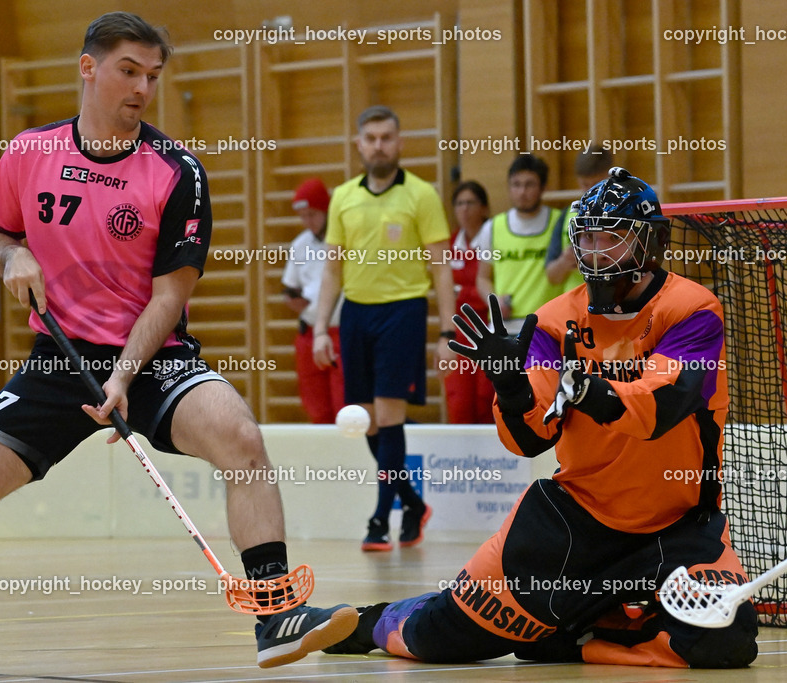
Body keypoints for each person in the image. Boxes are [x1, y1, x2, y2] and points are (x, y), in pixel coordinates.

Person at [0, 12, 356, 669]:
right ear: (88, 68)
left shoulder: (177, 172)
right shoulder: (29, 152)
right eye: (128, 71)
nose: (143, 88)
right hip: (58, 359)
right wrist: (11, 260)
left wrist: (122, 372)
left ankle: (277, 612)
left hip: (153, 356)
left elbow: (170, 296)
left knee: (241, 438)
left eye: (153, 75)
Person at [314, 168, 759, 669]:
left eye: (612, 239)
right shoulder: (552, 321)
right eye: (587, 238)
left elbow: (665, 405)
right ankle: (372, 620)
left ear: (651, 243)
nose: (596, 252)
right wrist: (509, 385)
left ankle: (571, 638)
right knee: (441, 640)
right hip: (575, 520)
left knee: (725, 643)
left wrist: (589, 389)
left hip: (679, 528)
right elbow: (528, 439)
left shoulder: (693, 310)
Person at [312, 105, 456, 551]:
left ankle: (379, 521)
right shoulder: (343, 198)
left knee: (390, 415)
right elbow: (332, 271)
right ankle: (412, 503)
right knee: (369, 423)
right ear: (359, 144)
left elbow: (441, 268)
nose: (378, 145)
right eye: (370, 138)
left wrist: (448, 334)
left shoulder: (421, 195)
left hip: (403, 312)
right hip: (355, 314)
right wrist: (321, 327)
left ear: (399, 142)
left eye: (386, 137)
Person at [281, 177, 345, 423]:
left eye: (312, 214)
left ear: (326, 209)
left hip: (340, 331)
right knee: (316, 408)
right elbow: (290, 286)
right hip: (309, 333)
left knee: (344, 405)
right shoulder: (299, 244)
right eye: (303, 216)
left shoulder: (344, 240)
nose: (308, 221)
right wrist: (293, 300)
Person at [476, 154, 563, 333]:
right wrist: (495, 301)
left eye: (529, 184)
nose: (522, 192)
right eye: (516, 184)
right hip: (503, 327)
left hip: (546, 325)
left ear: (543, 187)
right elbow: (482, 277)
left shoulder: (559, 223)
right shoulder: (492, 227)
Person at [444, 181, 494, 424]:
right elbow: (443, 291)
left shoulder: (494, 240)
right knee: (459, 405)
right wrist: (472, 293)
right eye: (459, 203)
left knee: (487, 401)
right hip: (458, 336)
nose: (464, 209)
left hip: (488, 332)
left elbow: (496, 287)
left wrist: (462, 292)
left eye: (470, 203)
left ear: (484, 208)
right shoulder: (449, 245)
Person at [545, 143, 615, 293]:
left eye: (597, 184)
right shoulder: (567, 215)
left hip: (616, 300)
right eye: (585, 184)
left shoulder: (627, 211)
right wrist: (565, 261)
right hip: (576, 307)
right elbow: (552, 277)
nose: (590, 191)